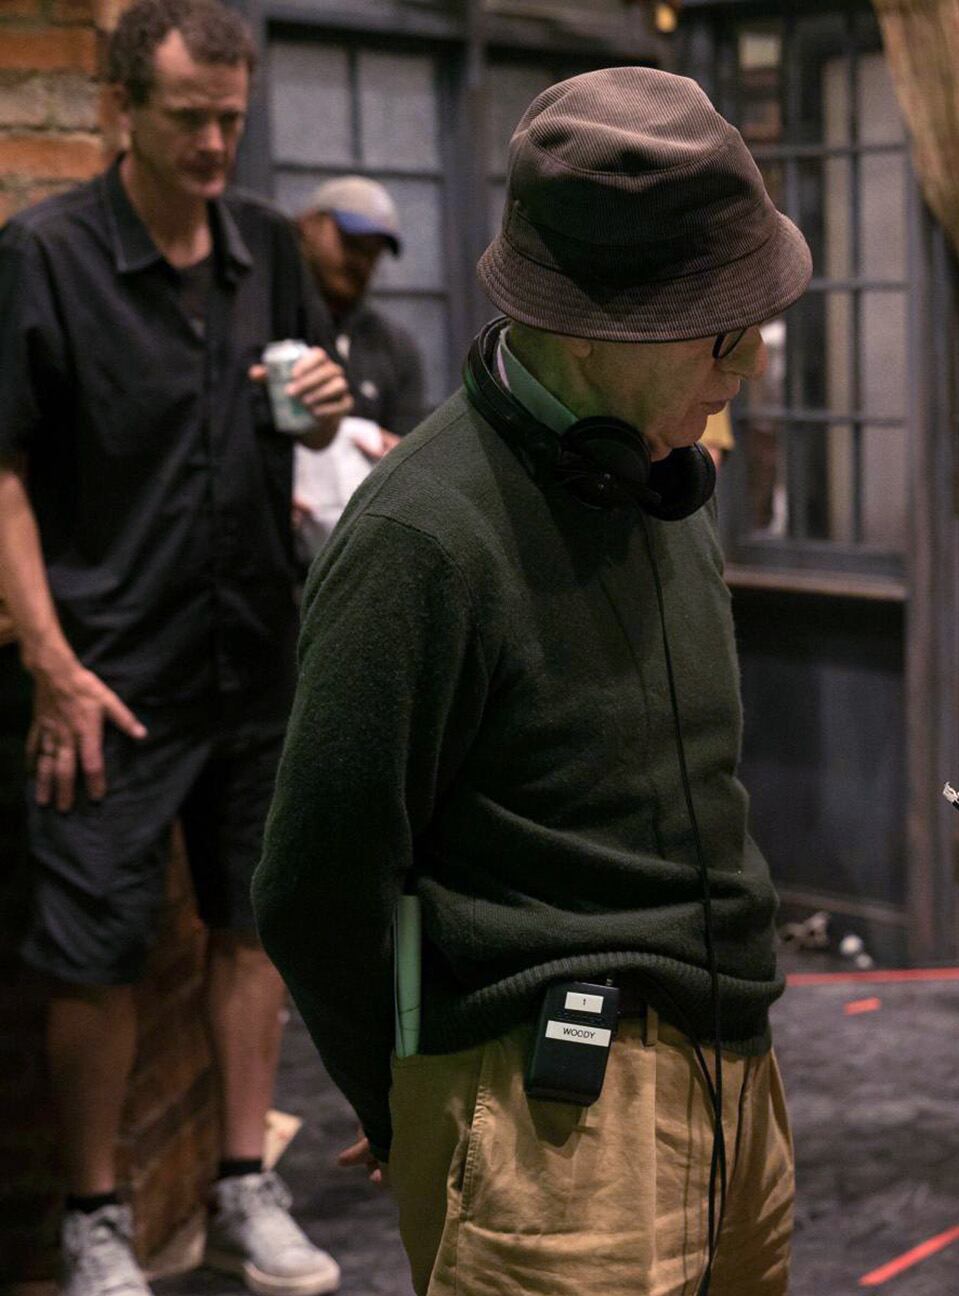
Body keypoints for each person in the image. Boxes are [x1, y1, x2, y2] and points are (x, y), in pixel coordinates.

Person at [252, 67, 808, 1296]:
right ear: (606, 325)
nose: (748, 369)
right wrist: (412, 1092)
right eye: (725, 335)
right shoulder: (421, 539)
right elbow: (312, 885)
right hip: (555, 1127)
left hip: (735, 1078)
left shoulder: (650, 471)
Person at [0, 2, 351, 1294]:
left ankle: (246, 1184)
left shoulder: (267, 248)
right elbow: (5, 476)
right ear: (120, 107)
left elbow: (322, 417)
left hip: (255, 651)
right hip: (109, 671)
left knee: (253, 929)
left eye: (231, 119)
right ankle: (94, 1218)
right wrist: (49, 662)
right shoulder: (43, 257)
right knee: (90, 952)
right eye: (189, 117)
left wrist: (329, 402)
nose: (215, 142)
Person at [291, 176, 423, 556]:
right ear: (309, 225)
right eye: (351, 243)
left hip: (362, 548)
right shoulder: (268, 323)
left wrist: (402, 458)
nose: (361, 261)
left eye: (374, 251)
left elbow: (409, 449)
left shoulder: (393, 346)